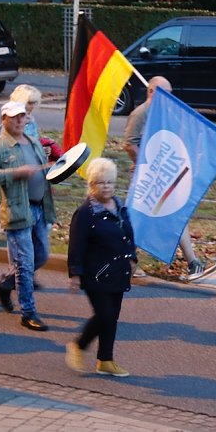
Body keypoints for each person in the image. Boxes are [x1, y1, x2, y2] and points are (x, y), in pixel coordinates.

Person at [122, 76, 215, 281]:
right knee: (137, 221)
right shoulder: (140, 114)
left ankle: (193, 263)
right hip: (146, 180)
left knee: (176, 213)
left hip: (164, 177)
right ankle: (129, 264)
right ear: (152, 91)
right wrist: (146, 167)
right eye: (166, 93)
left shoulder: (165, 113)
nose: (171, 97)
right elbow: (129, 143)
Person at [0, 101, 56, 332]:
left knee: (41, 256)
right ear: (4, 119)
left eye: (22, 116)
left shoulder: (33, 141)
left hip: (40, 208)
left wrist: (56, 168)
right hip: (17, 211)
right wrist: (15, 173)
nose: (19, 120)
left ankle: (4, 282)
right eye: (14, 117)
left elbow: (45, 171)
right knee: (24, 264)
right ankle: (28, 313)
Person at [65, 158, 137, 378]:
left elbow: (128, 233)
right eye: (100, 182)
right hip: (95, 273)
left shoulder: (119, 205)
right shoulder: (86, 213)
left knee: (112, 316)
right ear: (91, 185)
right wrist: (75, 274)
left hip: (118, 271)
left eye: (109, 182)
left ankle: (105, 360)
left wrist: (132, 257)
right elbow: (76, 245)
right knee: (104, 314)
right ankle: (78, 346)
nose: (105, 186)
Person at [5, 84, 62, 162]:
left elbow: (34, 140)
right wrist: (38, 151)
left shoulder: (31, 120)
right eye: (29, 103)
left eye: (34, 103)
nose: (32, 106)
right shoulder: (9, 123)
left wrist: (41, 150)